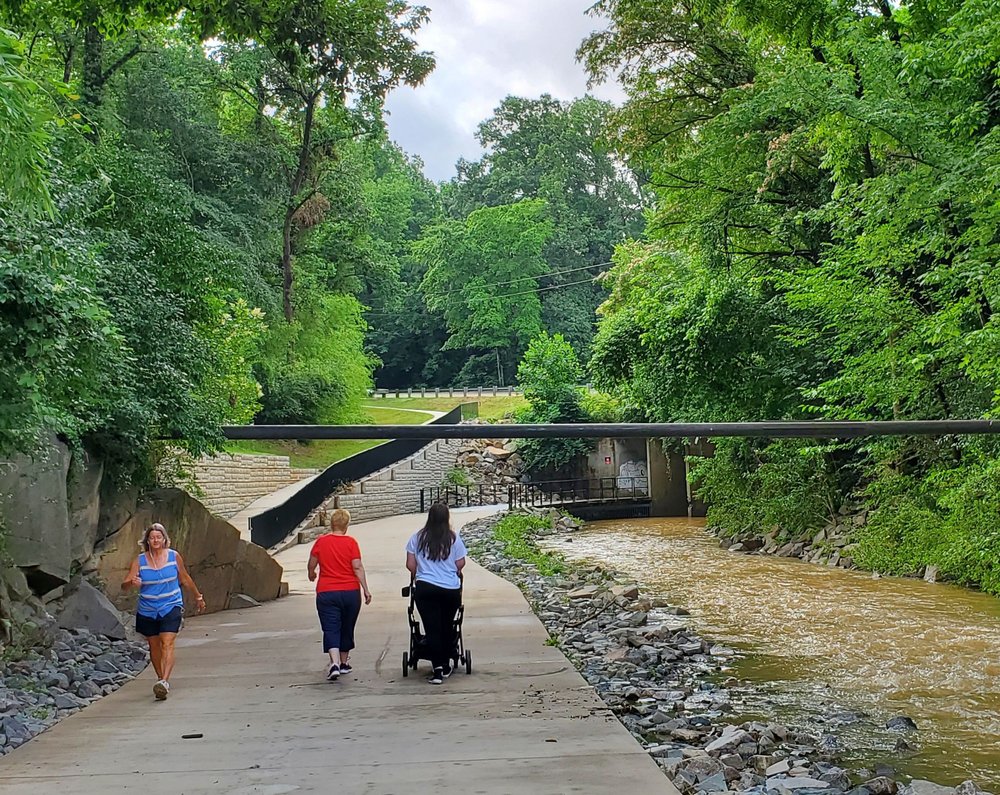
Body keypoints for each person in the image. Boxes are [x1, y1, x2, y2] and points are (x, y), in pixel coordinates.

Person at [121, 523, 206, 700]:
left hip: (171, 605)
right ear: (147, 541)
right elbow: (125, 585)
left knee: (167, 642)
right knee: (154, 645)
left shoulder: (174, 557)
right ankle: (160, 679)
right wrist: (132, 583)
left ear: (164, 539)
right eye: (152, 538)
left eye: (158, 537)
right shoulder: (140, 561)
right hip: (148, 609)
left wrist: (198, 597)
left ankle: (164, 681)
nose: (155, 540)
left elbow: (185, 578)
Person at [405, 502, 467, 685]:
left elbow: (410, 564)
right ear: (447, 518)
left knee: (432, 627)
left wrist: (420, 572)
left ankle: (437, 667)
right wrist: (449, 570)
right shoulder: (453, 539)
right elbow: (461, 562)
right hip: (450, 589)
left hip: (426, 588)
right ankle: (446, 662)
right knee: (447, 625)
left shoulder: (417, 538)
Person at [308, 508, 372, 680]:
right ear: (346, 525)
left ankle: (334, 663)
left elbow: (312, 563)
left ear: (331, 524)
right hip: (350, 592)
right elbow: (357, 567)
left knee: (331, 627)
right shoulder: (351, 542)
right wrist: (365, 589)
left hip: (327, 592)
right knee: (346, 626)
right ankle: (344, 663)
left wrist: (311, 574)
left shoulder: (321, 542)